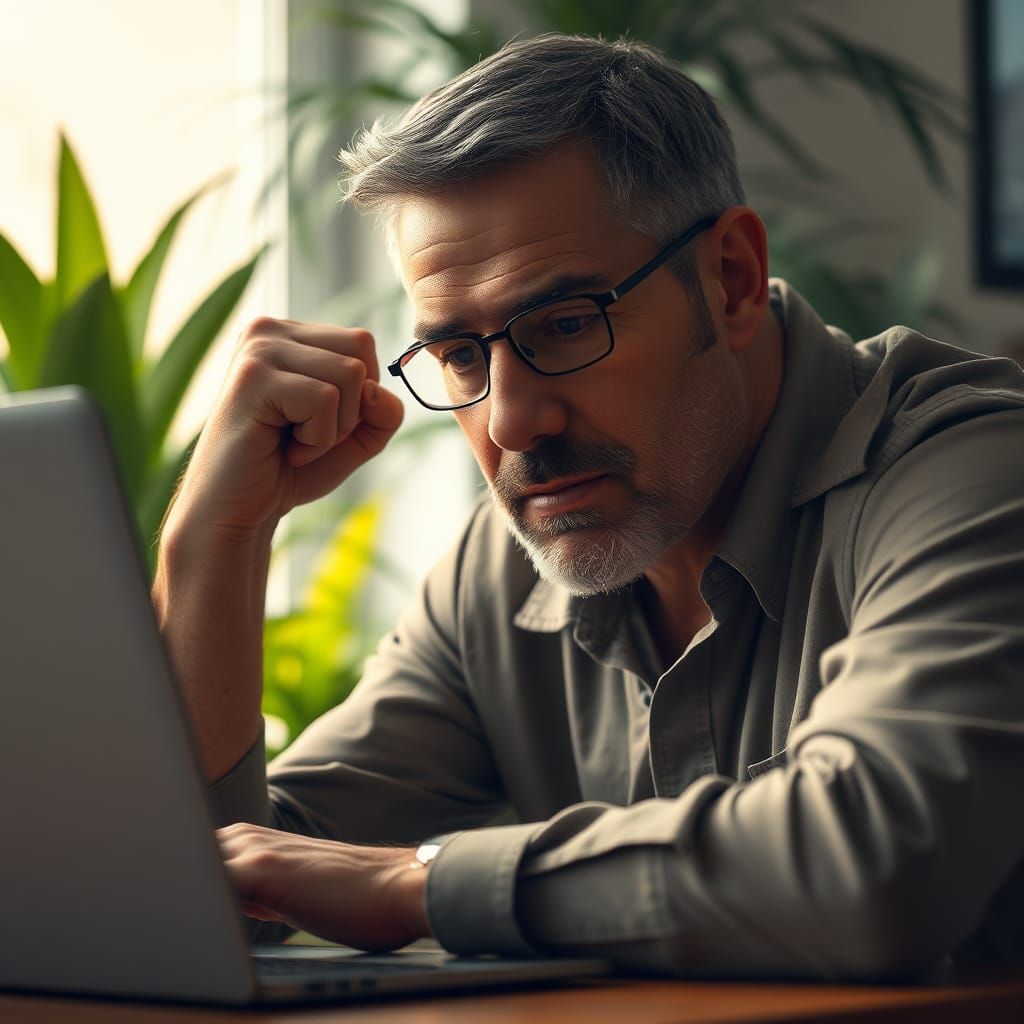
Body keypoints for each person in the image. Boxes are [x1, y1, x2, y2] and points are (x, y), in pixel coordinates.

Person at [152, 34, 1024, 979]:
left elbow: (879, 866)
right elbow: (216, 892)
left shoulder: (974, 471)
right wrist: (214, 541)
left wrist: (421, 881)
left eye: (568, 324)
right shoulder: (500, 570)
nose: (514, 421)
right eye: (459, 356)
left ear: (729, 278)